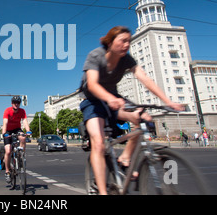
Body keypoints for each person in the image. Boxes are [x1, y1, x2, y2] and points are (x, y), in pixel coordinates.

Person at [79, 26, 184, 195]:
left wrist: (168, 101)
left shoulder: (126, 59)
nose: (127, 44)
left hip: (114, 99)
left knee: (144, 118)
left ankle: (125, 158)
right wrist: (110, 99)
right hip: (93, 101)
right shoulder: (95, 55)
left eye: (129, 41)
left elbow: (145, 79)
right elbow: (92, 84)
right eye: (123, 41)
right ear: (111, 42)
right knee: (98, 143)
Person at [2, 96, 31, 184]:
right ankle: (7, 172)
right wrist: (4, 133)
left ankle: (21, 155)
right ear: (12, 103)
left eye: (18, 103)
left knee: (23, 137)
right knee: (8, 151)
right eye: (15, 102)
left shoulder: (22, 111)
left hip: (17, 129)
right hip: (8, 131)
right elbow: (5, 123)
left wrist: (28, 130)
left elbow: (25, 122)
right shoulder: (7, 111)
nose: (16, 104)